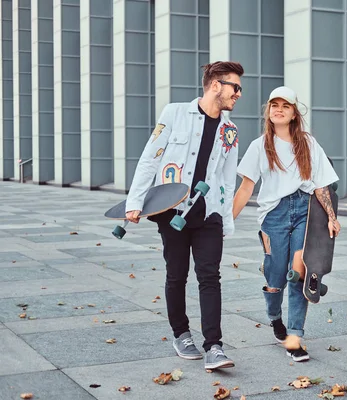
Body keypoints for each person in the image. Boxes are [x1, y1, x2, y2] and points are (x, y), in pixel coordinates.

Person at [124, 61, 244, 370]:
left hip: (209, 215)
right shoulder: (175, 114)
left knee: (210, 276)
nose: (239, 94)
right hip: (172, 210)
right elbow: (150, 158)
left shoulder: (230, 130)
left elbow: (228, 179)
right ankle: (181, 333)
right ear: (215, 85)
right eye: (235, 87)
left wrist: (227, 220)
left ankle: (214, 346)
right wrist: (134, 202)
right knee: (177, 274)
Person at [232, 86, 341, 362]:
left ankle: (294, 337)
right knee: (275, 275)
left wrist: (331, 217)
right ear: (269, 112)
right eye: (274, 105)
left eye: (285, 106)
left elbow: (320, 186)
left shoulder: (308, 144)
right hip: (274, 214)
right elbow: (246, 188)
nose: (279, 109)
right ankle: (275, 317)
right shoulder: (260, 146)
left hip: (305, 210)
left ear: (294, 113)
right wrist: (225, 220)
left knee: (299, 271)